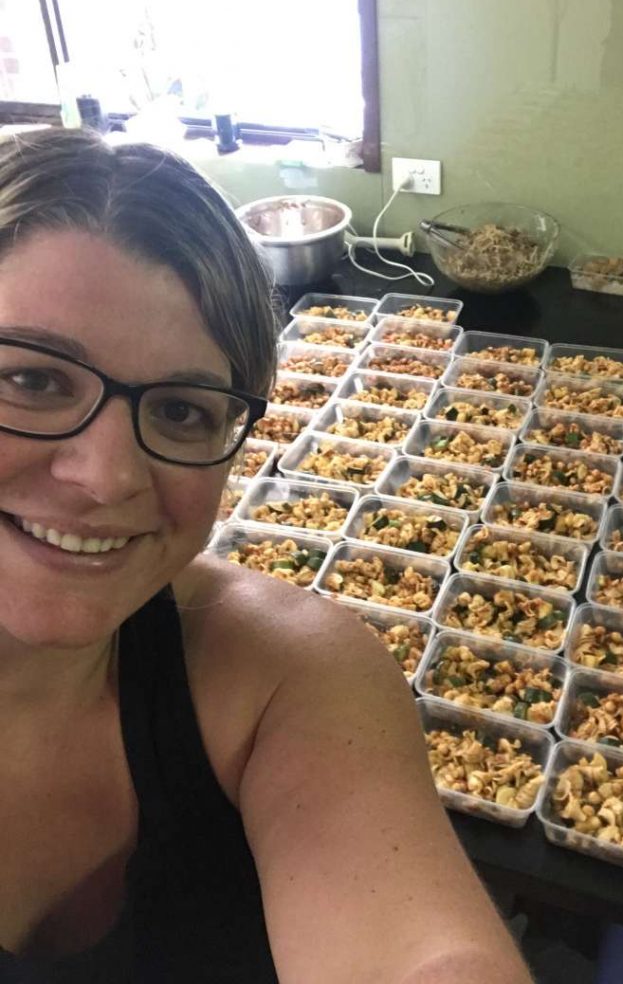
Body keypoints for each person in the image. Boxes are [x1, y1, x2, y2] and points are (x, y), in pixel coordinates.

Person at [0, 127, 533, 983]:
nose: (104, 477)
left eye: (181, 410)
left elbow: (421, 953)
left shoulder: (288, 677)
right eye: (31, 380)